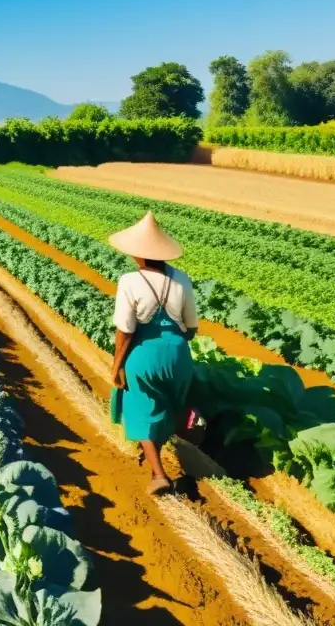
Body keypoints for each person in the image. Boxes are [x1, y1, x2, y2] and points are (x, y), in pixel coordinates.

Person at [108, 211, 198, 496]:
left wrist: (117, 366)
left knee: (140, 407)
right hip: (178, 354)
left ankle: (159, 475)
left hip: (143, 354)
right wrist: (173, 344)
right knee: (168, 407)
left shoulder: (130, 281)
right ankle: (162, 450)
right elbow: (192, 327)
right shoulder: (182, 279)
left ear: (138, 255)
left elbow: (124, 330)